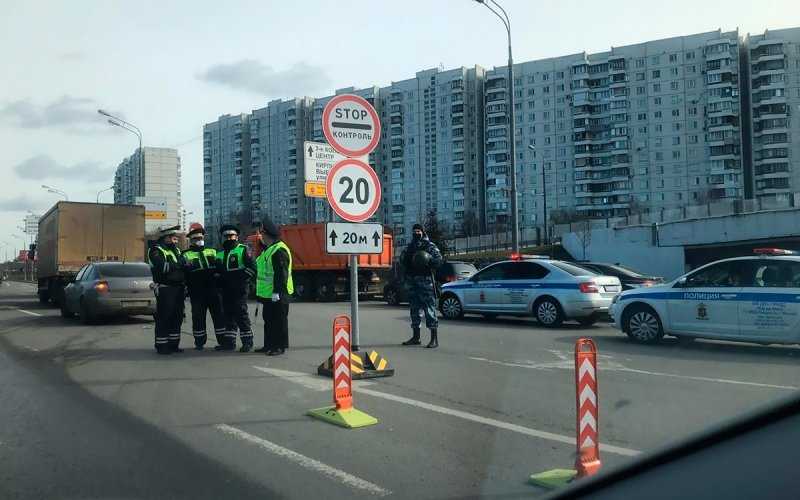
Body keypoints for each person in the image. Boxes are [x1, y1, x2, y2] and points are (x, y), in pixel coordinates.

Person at [183, 223, 226, 350]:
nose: (199, 241)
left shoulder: (212, 251)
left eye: (201, 238)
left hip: (214, 290)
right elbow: (184, 274)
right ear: (191, 240)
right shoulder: (185, 255)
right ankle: (199, 342)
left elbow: (221, 268)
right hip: (197, 292)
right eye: (196, 239)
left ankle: (222, 341)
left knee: (219, 317)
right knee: (198, 318)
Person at [254, 217, 293, 356]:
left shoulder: (279, 250)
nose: (261, 237)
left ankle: (279, 346)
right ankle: (269, 344)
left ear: (267, 234)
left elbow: (281, 273)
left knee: (279, 321)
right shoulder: (269, 249)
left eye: (262, 234)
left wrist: (277, 292)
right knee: (268, 320)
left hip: (279, 293)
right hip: (268, 294)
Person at [400, 223, 443, 348]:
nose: (416, 233)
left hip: (426, 282)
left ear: (423, 232)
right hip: (412, 281)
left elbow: (438, 259)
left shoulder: (429, 245)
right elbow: (402, 259)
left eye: (418, 231)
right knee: (414, 310)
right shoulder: (410, 247)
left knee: (429, 310)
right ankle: (416, 337)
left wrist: (428, 261)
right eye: (414, 231)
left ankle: (434, 339)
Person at [216, 224, 256, 352]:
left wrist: (241, 279)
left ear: (237, 236)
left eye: (231, 236)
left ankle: (247, 342)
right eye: (226, 236)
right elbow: (217, 272)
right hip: (225, 290)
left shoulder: (243, 249)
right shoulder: (220, 254)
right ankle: (229, 343)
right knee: (228, 316)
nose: (229, 238)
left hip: (239, 289)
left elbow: (253, 268)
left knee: (241, 316)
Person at [148, 225, 186, 355]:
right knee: (164, 317)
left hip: (179, 288)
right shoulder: (155, 250)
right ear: (166, 238)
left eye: (176, 239)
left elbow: (182, 267)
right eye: (173, 238)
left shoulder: (177, 251)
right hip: (165, 289)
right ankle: (162, 345)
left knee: (177, 317)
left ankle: (173, 345)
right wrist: (180, 265)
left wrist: (178, 267)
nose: (175, 241)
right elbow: (163, 268)